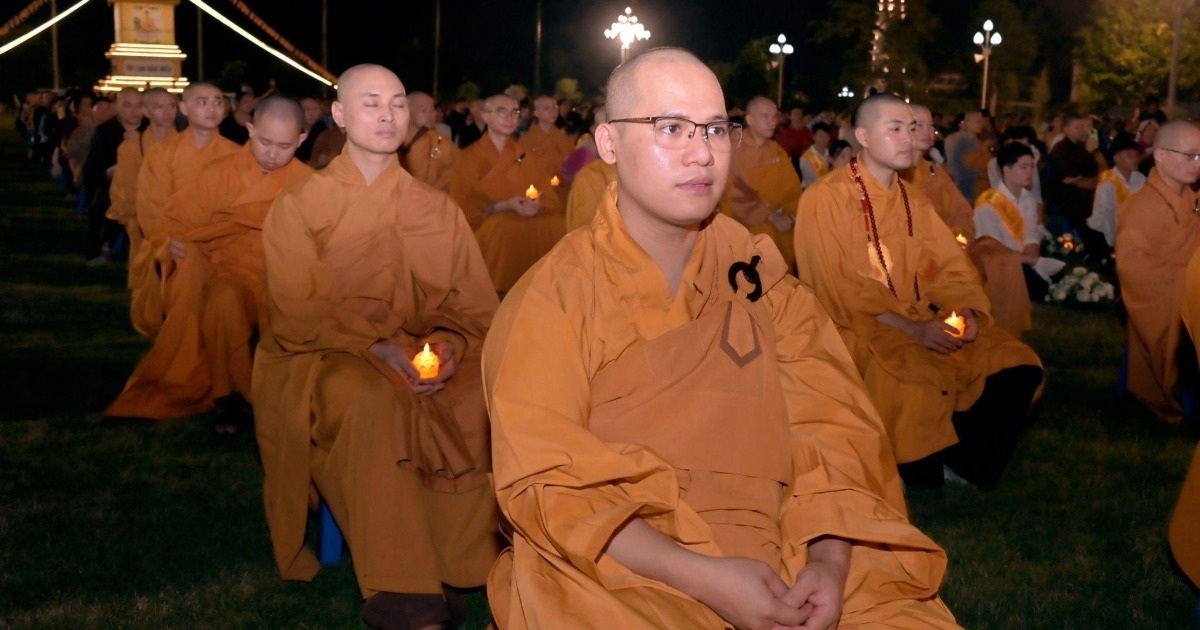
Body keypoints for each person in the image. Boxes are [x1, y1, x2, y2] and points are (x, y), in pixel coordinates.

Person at [485, 48, 960, 630]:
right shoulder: (554, 295)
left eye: (715, 129)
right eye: (671, 128)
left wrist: (829, 561)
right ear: (609, 144)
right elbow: (547, 483)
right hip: (631, 564)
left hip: (794, 536)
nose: (702, 151)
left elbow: (832, 427)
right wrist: (705, 577)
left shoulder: (761, 276)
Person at [253, 65, 500, 630]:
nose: (388, 115)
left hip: (417, 350)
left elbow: (471, 305)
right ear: (339, 115)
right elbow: (295, 313)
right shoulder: (301, 205)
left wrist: (451, 344)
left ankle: (460, 561)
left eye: (396, 104)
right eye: (371, 104)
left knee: (480, 392)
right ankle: (405, 583)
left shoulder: (435, 209)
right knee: (368, 399)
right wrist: (375, 347)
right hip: (321, 354)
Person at [795, 93, 1043, 490]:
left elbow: (950, 267)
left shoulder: (913, 200)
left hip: (927, 317)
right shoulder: (824, 200)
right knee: (914, 380)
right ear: (862, 135)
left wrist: (968, 314)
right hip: (863, 328)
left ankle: (964, 463)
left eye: (912, 128)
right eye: (894, 128)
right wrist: (912, 330)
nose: (909, 138)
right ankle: (920, 465)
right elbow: (835, 291)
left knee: (1018, 364)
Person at [103, 97, 311, 423]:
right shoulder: (218, 174)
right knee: (223, 300)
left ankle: (296, 395)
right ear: (251, 129)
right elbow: (176, 220)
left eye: (284, 146)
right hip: (235, 273)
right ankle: (231, 397)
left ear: (301, 140)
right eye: (265, 142)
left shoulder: (310, 184)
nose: (272, 154)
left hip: (288, 278)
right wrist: (170, 244)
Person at [127, 82, 238, 338]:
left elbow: (240, 207)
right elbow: (151, 207)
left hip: (220, 244)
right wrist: (169, 240)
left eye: (218, 102)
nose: (212, 108)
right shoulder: (162, 154)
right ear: (184, 109)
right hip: (174, 242)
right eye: (202, 102)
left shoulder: (237, 155)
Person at [1115, 120, 1200, 424]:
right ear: (1161, 155)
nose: (1197, 164)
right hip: (1170, 298)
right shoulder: (1143, 207)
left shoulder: (1191, 199)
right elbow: (1132, 266)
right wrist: (1186, 278)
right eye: (1189, 155)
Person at [450, 93, 564, 293]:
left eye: (515, 112)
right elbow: (462, 205)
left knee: (559, 225)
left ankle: (547, 289)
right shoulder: (469, 157)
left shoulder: (525, 155)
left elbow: (547, 194)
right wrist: (503, 205)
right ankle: (499, 292)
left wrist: (536, 204)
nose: (509, 118)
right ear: (486, 117)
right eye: (501, 112)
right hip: (489, 222)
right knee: (502, 226)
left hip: (524, 216)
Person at [972, 142, 1064, 336]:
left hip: (1023, 257)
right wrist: (1033, 261)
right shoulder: (988, 204)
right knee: (1041, 281)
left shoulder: (1028, 198)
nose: (1030, 172)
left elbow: (1031, 233)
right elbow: (992, 250)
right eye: (1023, 167)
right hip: (999, 265)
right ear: (1006, 169)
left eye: (1031, 166)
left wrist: (1033, 253)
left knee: (1056, 274)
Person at [108, 88, 178, 321]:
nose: (167, 112)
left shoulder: (188, 145)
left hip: (181, 223)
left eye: (171, 106)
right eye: (159, 107)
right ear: (146, 111)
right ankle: (151, 317)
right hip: (144, 224)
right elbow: (124, 191)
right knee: (149, 274)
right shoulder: (130, 148)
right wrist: (138, 219)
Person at [723, 95, 801, 270]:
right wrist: (772, 217)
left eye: (774, 116)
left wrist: (791, 216)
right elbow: (736, 192)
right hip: (743, 224)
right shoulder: (734, 147)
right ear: (749, 119)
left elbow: (793, 190)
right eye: (765, 116)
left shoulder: (776, 150)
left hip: (779, 222)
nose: (772, 121)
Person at [901, 104, 974, 241]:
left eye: (930, 125)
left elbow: (962, 213)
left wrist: (954, 239)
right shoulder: (889, 174)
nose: (927, 131)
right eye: (918, 125)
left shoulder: (935, 173)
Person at [1085, 135, 1145, 252]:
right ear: (1116, 158)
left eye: (1136, 155)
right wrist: (1115, 244)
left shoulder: (1140, 178)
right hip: (1104, 233)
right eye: (1129, 155)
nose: (1134, 159)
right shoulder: (1108, 182)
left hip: (1128, 231)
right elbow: (1107, 217)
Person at [398, 91, 459, 192]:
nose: (432, 114)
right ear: (407, 112)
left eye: (432, 109)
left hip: (433, 198)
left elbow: (459, 165)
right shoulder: (393, 141)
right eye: (424, 110)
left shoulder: (440, 140)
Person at [520, 95, 575, 180]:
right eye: (547, 108)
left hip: (561, 188)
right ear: (536, 113)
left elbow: (571, 167)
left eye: (555, 107)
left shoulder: (563, 138)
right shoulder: (527, 139)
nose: (553, 111)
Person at [799, 121, 833, 188]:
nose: (824, 139)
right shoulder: (806, 158)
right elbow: (812, 181)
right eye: (820, 136)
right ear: (814, 137)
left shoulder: (832, 154)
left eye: (826, 135)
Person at [294, 96, 328, 163]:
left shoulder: (324, 131)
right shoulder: (292, 129)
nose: (311, 113)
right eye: (307, 109)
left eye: (315, 109)